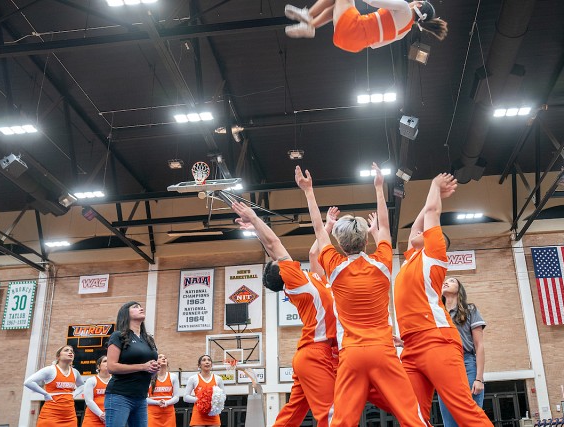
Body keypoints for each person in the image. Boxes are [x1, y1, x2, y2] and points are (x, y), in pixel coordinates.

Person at [296, 163, 429, 427]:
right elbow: (385, 226)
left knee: (342, 422)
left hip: (352, 354)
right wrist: (379, 187)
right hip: (383, 351)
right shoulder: (382, 263)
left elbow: (318, 230)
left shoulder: (333, 266)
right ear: (367, 240)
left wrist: (308, 191)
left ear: (340, 244)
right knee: (413, 418)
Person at [393, 173, 493, 426]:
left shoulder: (434, 251)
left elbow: (432, 214)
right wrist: (428, 202)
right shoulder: (411, 258)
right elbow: (418, 224)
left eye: (424, 231)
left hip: (436, 340)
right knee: (412, 416)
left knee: (464, 412)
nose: (416, 232)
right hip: (411, 346)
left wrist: (434, 187)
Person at [232, 201, 339, 427]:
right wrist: (253, 217)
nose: (280, 257)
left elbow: (311, 251)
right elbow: (274, 243)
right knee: (331, 415)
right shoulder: (296, 281)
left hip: (310, 354)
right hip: (316, 353)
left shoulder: (311, 279)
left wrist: (328, 225)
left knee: (291, 416)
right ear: (282, 271)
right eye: (278, 262)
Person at [284, 0, 447, 53]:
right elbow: (374, 45)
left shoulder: (404, 7)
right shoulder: (404, 33)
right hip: (352, 44)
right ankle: (310, 25)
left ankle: (309, 15)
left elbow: (372, 1)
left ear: (418, 5)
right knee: (337, 7)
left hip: (353, 28)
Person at [438, 277, 487, 427]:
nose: (446, 282)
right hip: (443, 367)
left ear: (459, 289)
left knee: (471, 418)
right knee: (449, 421)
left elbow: (479, 345)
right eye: (444, 281)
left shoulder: (470, 310)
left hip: (466, 363)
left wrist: (478, 379)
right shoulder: (437, 313)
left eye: (452, 281)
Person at [105, 301, 159, 427]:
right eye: (135, 307)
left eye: (141, 306)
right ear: (126, 313)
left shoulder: (148, 339)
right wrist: (143, 366)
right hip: (120, 395)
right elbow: (111, 367)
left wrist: (153, 369)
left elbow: (148, 372)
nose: (141, 308)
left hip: (141, 397)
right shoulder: (118, 336)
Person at [24, 345, 84, 427]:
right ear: (58, 356)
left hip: (69, 416)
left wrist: (74, 394)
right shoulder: (50, 370)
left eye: (72, 351)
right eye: (66, 350)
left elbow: (81, 386)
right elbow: (28, 382)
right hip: (51, 415)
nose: (70, 352)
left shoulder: (75, 372)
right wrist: (45, 394)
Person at [183, 355, 226, 427]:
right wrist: (202, 400)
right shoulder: (193, 378)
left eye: (209, 360)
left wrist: (213, 400)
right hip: (198, 415)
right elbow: (185, 397)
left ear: (211, 364)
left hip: (213, 415)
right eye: (204, 360)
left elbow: (224, 396)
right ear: (199, 365)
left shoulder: (218, 379)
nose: (207, 362)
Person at [147, 353, 180, 427]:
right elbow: (144, 398)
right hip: (152, 414)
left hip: (168, 414)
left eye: (165, 357)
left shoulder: (173, 377)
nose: (164, 358)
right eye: (160, 357)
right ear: (155, 362)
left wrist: (167, 402)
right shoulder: (149, 377)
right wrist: (157, 402)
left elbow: (176, 397)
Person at [82, 355, 111, 427]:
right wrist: (101, 414)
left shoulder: (116, 381)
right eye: (105, 361)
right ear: (98, 367)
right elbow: (89, 401)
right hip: (93, 419)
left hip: (111, 418)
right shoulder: (91, 380)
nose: (108, 363)